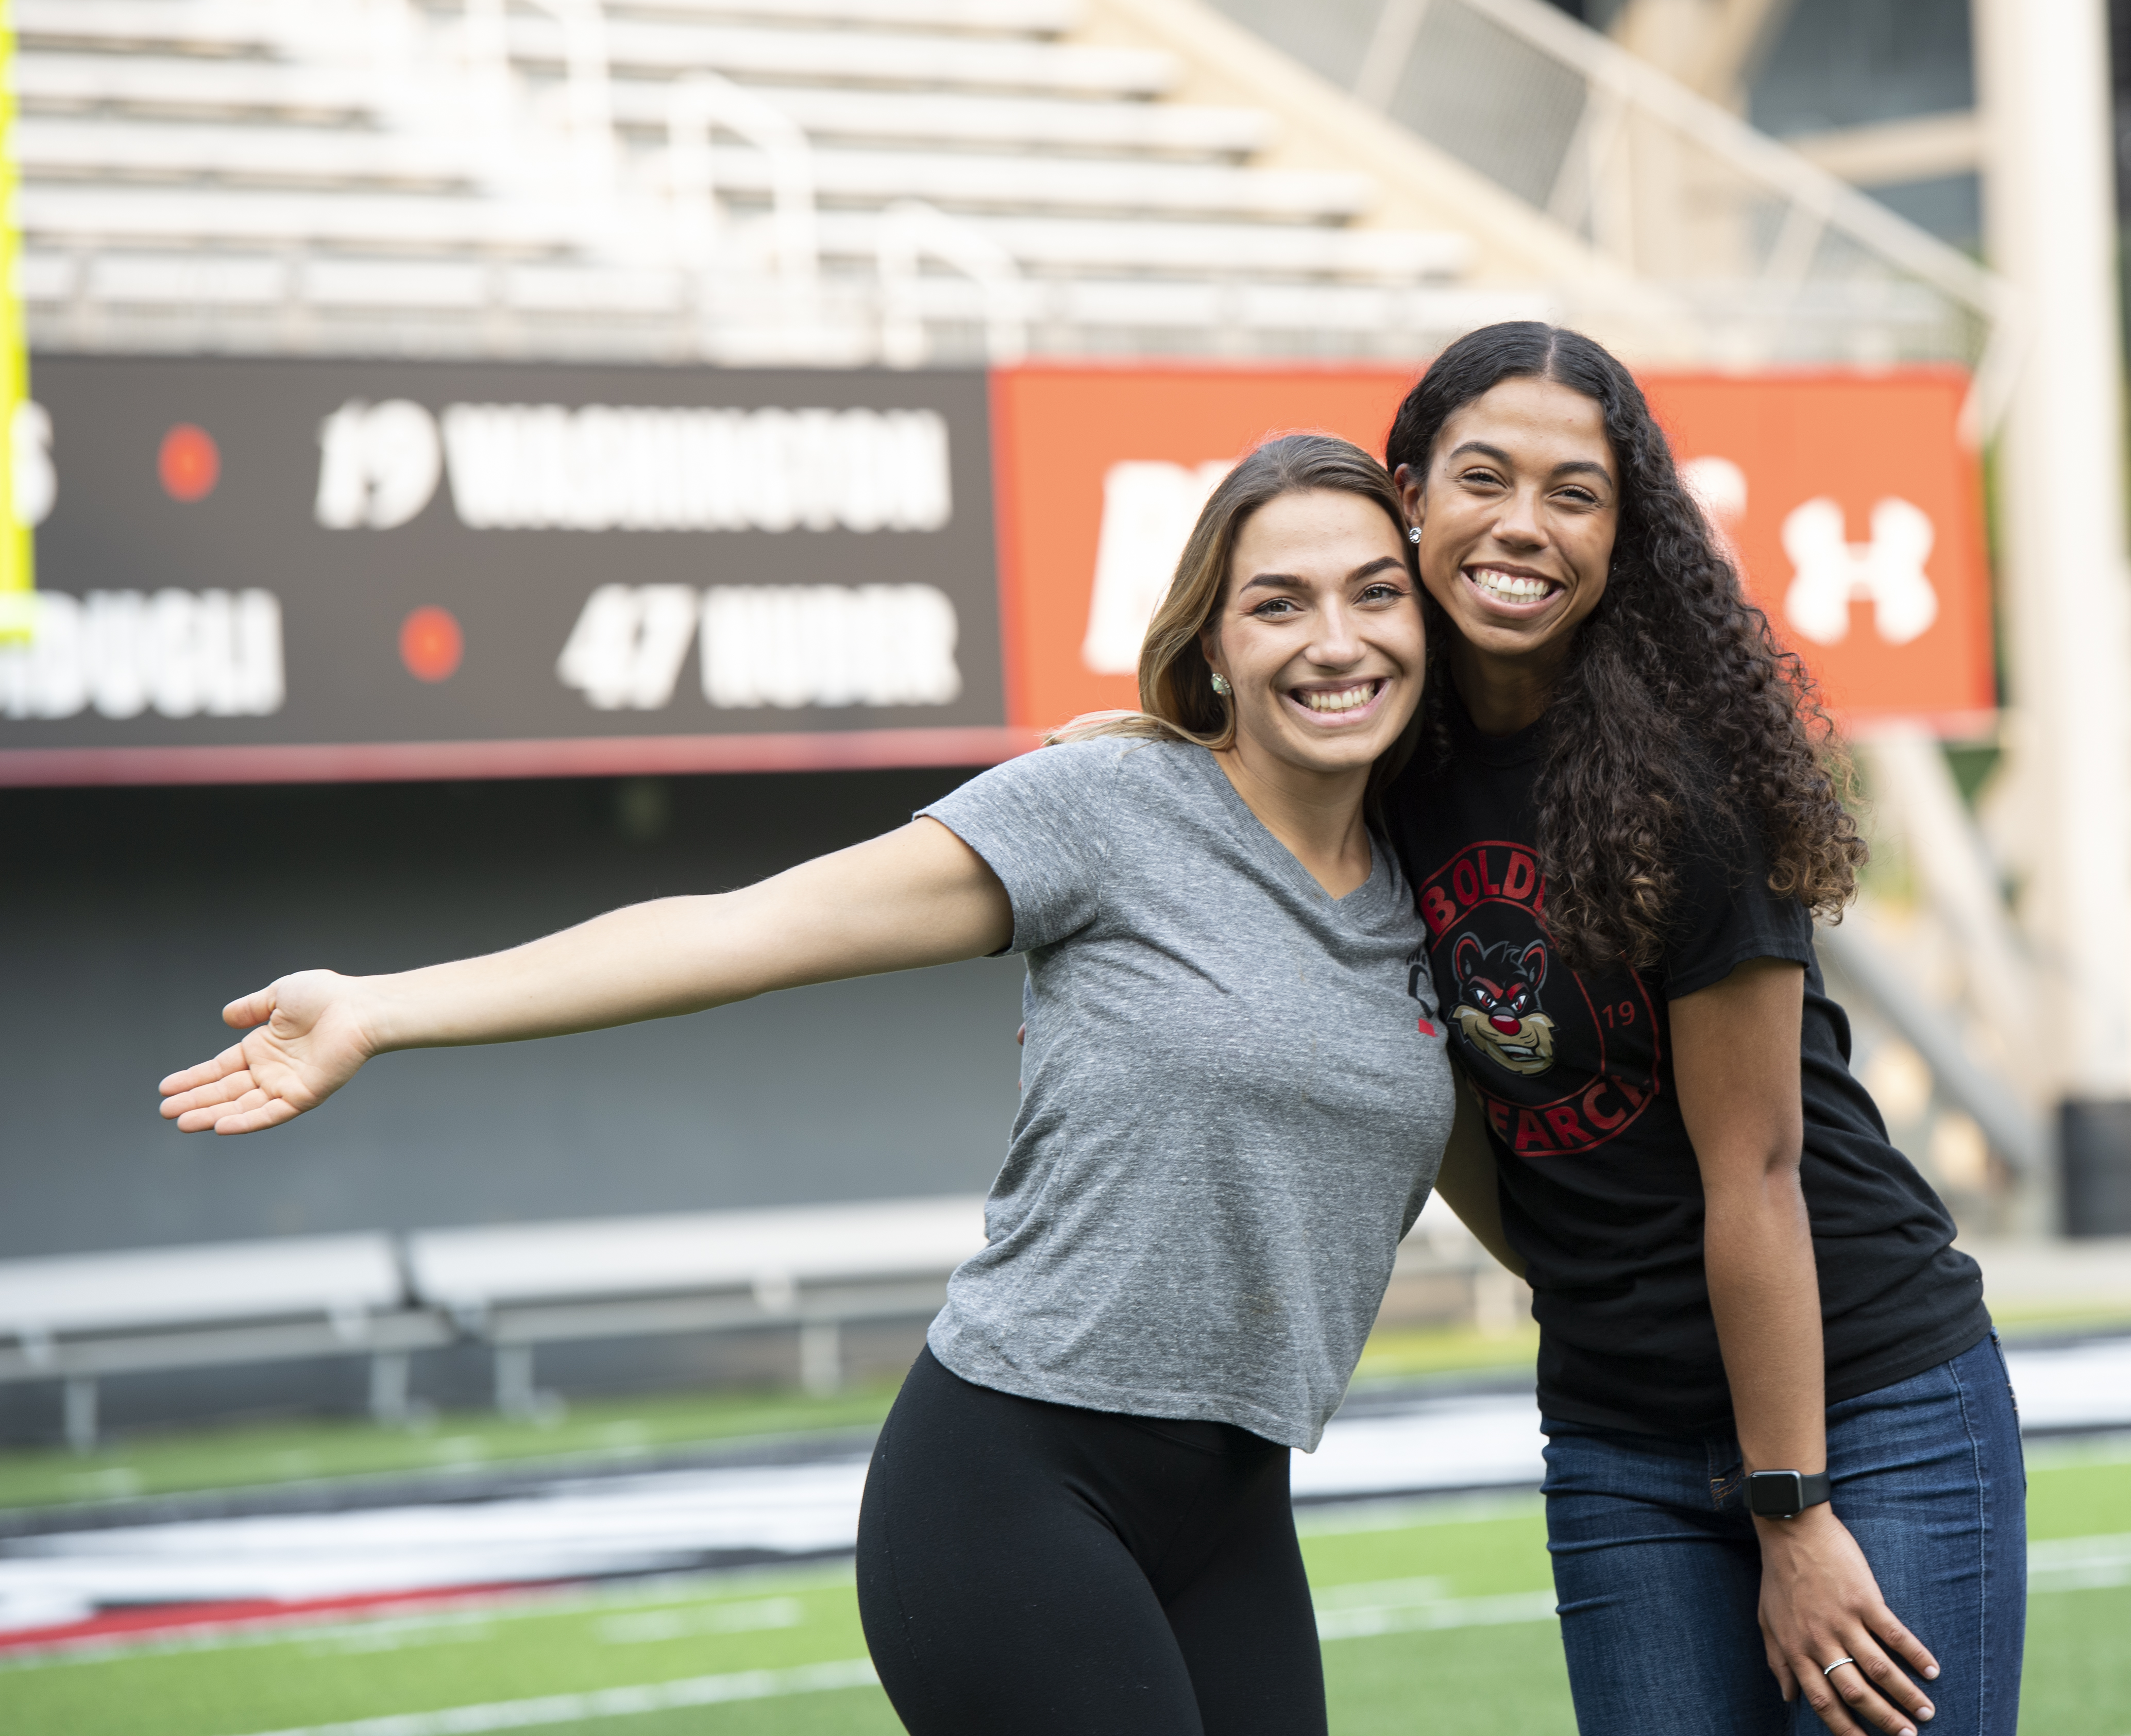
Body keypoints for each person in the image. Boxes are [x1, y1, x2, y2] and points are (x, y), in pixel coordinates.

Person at [156, 434, 1471, 1736]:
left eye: (1373, 592)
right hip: (1015, 1492)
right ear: (1214, 649)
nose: (1336, 640)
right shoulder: (1114, 806)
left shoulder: (1437, 899)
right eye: (1278, 603)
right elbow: (741, 928)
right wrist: (382, 1009)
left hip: (1241, 1502)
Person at [1382, 323, 2026, 1736]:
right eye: (1484, 477)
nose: (1523, 527)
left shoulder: (1686, 784)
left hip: (1862, 1407)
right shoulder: (1378, 768)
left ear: (1624, 538)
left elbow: (1759, 1175)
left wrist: (1793, 1514)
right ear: (1412, 492)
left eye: (1576, 495)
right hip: (1619, 1432)